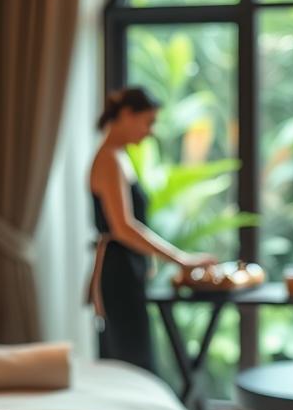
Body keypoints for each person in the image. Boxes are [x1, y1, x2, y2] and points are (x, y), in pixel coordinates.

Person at [88, 87, 216, 371]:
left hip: (127, 269)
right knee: (131, 363)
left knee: (133, 357)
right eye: (148, 122)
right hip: (118, 272)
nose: (150, 131)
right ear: (125, 115)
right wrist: (181, 259)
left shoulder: (119, 157)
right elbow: (123, 227)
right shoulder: (109, 159)